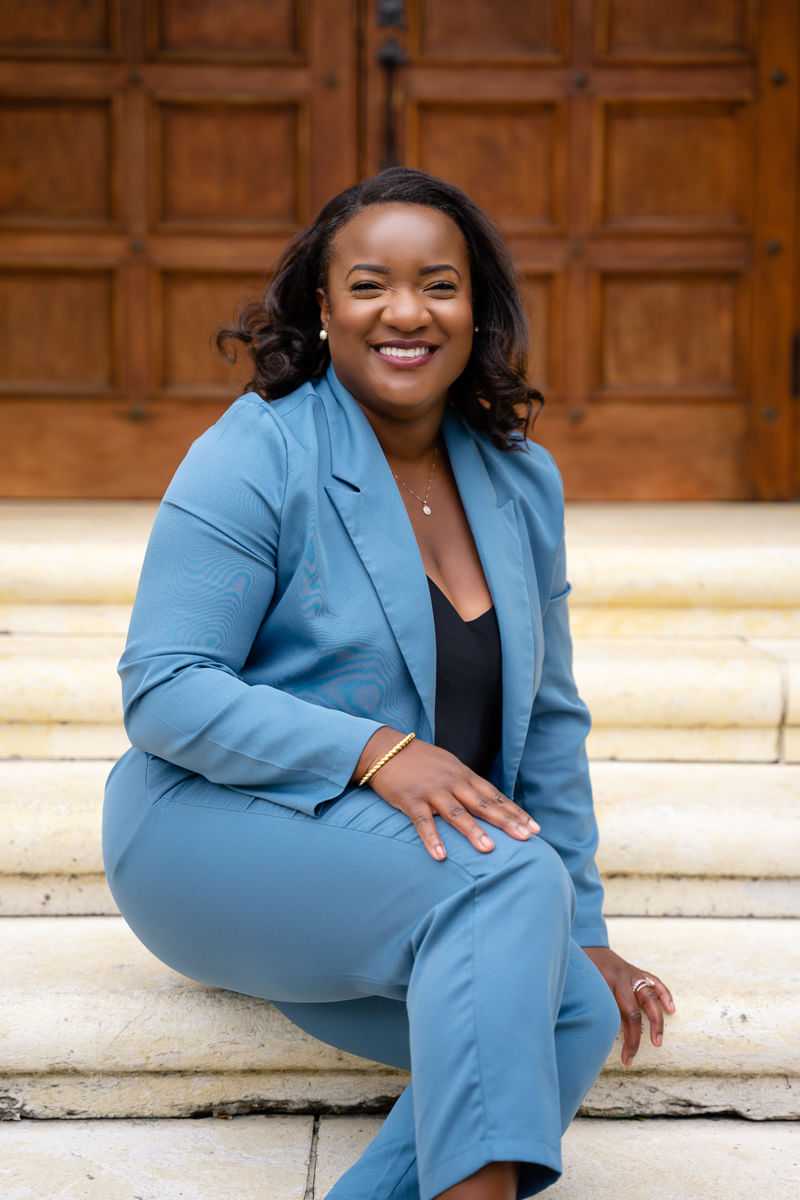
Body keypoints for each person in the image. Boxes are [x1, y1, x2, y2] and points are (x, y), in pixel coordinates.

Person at [102, 166, 676, 1200]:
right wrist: (375, 752)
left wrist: (581, 930)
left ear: (475, 309)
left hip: (411, 874)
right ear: (322, 309)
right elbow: (165, 688)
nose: (404, 311)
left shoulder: (517, 481)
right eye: (369, 284)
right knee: (509, 878)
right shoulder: (256, 452)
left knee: (577, 1008)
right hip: (215, 828)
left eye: (438, 284)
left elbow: (545, 723)